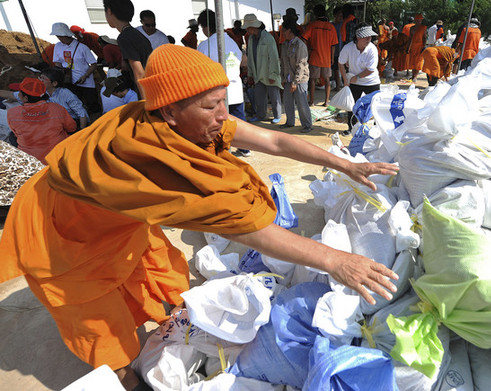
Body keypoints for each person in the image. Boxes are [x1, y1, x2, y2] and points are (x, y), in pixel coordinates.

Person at [0, 44, 400, 390]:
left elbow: (274, 139)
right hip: (63, 234)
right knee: (99, 319)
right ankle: (126, 376)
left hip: (117, 224)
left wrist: (344, 164)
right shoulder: (149, 158)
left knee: (156, 273)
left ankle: (166, 328)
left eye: (223, 102)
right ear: (169, 111)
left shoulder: (193, 121)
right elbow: (249, 231)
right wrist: (336, 261)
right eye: (211, 106)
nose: (223, 116)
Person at [197, 9, 251, 157]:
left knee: (219, 124)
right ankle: (245, 148)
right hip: (235, 88)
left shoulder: (205, 46)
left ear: (206, 27)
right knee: (239, 121)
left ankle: (223, 151)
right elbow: (244, 62)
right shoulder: (231, 41)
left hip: (217, 91)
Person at [7, 77, 76, 163]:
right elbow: (72, 128)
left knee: (11, 136)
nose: (18, 94)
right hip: (58, 156)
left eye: (19, 93)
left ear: (25, 98)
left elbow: (16, 134)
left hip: (31, 159)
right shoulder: (57, 108)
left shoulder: (12, 113)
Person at [104, 0, 153, 98]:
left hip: (148, 93)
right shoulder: (136, 34)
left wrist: (146, 104)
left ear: (109, 11)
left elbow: (139, 73)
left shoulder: (124, 37)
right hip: (152, 87)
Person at [338, 23, 380, 136]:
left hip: (371, 82)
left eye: (370, 37)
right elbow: (341, 63)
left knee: (375, 105)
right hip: (353, 82)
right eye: (366, 37)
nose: (369, 39)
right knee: (352, 106)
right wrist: (345, 80)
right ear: (358, 37)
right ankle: (351, 128)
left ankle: (377, 129)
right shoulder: (348, 48)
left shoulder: (372, 49)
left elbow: (371, 69)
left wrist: (356, 77)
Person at [51, 22, 101, 115]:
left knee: (93, 106)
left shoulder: (82, 47)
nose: (60, 39)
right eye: (58, 37)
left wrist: (85, 76)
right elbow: (57, 61)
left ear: (66, 35)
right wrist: (61, 72)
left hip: (86, 82)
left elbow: (94, 64)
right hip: (69, 81)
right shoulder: (57, 46)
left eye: (61, 36)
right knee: (74, 105)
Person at [243, 14, 282, 124]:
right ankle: (260, 115)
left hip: (268, 71)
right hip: (257, 72)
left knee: (274, 95)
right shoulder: (250, 38)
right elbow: (250, 57)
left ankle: (277, 115)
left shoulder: (268, 38)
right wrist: (250, 73)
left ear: (253, 27)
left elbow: (274, 57)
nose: (246, 30)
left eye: (247, 28)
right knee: (259, 96)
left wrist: (273, 74)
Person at [301, 4, 339, 106]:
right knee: (327, 80)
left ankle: (312, 101)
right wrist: (332, 58)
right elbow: (333, 45)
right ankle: (326, 101)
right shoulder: (331, 27)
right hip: (326, 58)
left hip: (314, 57)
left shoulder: (312, 25)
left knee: (312, 79)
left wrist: (307, 51)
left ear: (315, 14)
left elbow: (304, 38)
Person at [280, 21, 313, 133]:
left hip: (299, 79)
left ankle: (307, 125)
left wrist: (295, 81)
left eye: (283, 30)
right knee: (288, 102)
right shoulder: (284, 45)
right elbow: (283, 63)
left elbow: (301, 65)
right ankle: (290, 122)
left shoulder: (300, 45)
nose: (282, 33)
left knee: (302, 103)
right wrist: (283, 78)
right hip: (288, 78)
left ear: (289, 30)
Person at [406, 14, 427, 81]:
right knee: (412, 62)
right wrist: (408, 48)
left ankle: (415, 76)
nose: (419, 21)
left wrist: (424, 46)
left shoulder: (423, 28)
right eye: (418, 20)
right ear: (415, 20)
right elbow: (410, 39)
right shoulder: (412, 28)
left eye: (420, 20)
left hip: (420, 47)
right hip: (413, 47)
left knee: (418, 62)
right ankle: (413, 75)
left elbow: (425, 38)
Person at [332, 6, 345, 90]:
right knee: (336, 69)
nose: (340, 18)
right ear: (335, 15)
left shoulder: (343, 25)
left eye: (342, 16)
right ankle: (337, 85)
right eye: (339, 15)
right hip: (334, 51)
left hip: (342, 50)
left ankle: (345, 85)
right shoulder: (331, 25)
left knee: (343, 69)